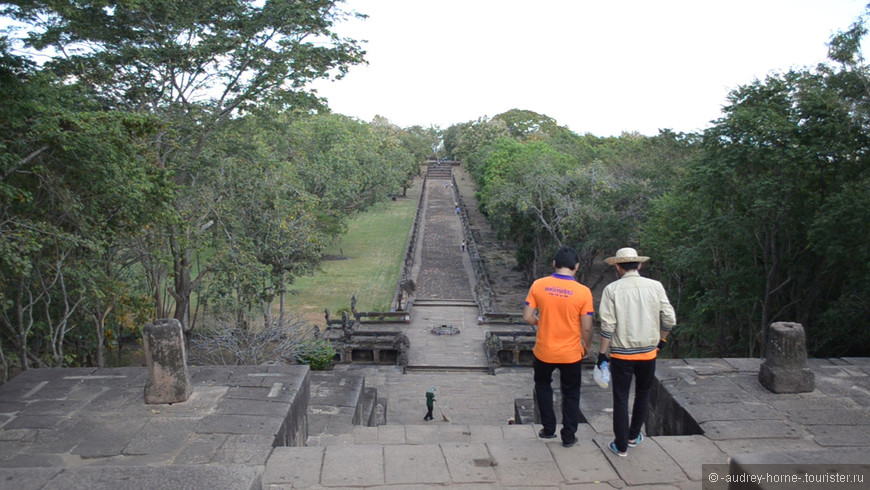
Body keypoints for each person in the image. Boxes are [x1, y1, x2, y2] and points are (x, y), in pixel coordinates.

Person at [597, 247, 676, 457]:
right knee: (643, 393)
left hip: (622, 354)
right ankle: (633, 436)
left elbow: (607, 326)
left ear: (617, 266)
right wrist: (661, 340)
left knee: (621, 398)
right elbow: (670, 319)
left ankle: (620, 445)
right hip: (648, 353)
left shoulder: (611, 290)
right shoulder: (655, 286)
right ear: (639, 265)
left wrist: (602, 354)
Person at [523, 246, 594, 448]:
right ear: (576, 267)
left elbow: (528, 316)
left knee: (543, 386)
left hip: (544, 350)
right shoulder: (583, 292)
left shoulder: (539, 285)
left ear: (554, 264)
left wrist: (541, 322)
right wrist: (587, 347)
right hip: (571, 353)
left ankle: (548, 428)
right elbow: (587, 327)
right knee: (571, 393)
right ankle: (569, 435)